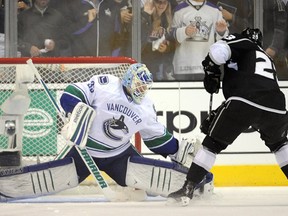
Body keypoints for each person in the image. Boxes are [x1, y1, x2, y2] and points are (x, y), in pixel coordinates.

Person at [167, 28, 288, 205]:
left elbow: (217, 52)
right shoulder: (266, 58)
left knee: (212, 144)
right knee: (280, 145)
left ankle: (188, 189)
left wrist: (211, 71)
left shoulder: (242, 41)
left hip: (244, 101)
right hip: (277, 107)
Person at [59, 63, 214, 198]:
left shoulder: (145, 107)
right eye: (139, 84)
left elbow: (157, 139)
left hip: (119, 156)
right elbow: (72, 93)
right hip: (85, 150)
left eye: (145, 86)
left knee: (146, 189)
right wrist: (74, 113)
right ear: (129, 80)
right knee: (60, 179)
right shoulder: (105, 85)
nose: (142, 89)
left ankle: (200, 181)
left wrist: (178, 150)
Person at [170, 0, 228, 81]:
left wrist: (221, 31)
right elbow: (171, 35)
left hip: (206, 66)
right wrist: (184, 31)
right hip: (183, 66)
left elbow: (224, 40)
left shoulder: (215, 10)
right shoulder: (179, 9)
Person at [140, 0, 176, 81]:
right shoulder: (144, 15)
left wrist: (167, 47)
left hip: (161, 68)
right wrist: (153, 46)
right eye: (158, 2)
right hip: (144, 66)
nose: (161, 5)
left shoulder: (168, 19)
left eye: (165, 2)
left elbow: (174, 44)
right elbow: (136, 41)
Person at [263, 0, 288, 79]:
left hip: (275, 47)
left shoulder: (278, 3)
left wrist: (274, 47)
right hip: (266, 40)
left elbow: (281, 25)